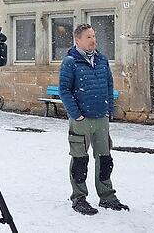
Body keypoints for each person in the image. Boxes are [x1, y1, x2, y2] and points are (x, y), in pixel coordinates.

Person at [59, 23, 129, 215]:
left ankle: (107, 197)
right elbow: (64, 90)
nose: (93, 40)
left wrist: (108, 110)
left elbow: (108, 84)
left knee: (105, 159)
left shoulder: (101, 60)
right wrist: (77, 115)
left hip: (101, 119)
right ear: (77, 40)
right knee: (80, 160)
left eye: (94, 36)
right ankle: (79, 198)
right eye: (88, 37)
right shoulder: (70, 62)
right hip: (81, 120)